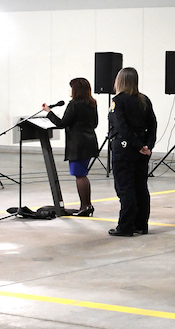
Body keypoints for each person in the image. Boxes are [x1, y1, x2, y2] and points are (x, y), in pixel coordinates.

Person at [107, 67, 157, 236]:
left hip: (125, 149)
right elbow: (152, 125)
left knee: (125, 188)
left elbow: (122, 127)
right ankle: (141, 224)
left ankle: (126, 226)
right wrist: (147, 146)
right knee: (140, 187)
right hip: (141, 150)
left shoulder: (118, 101)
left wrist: (136, 145)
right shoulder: (144, 100)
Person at [44, 78, 100, 216]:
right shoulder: (92, 104)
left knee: (80, 175)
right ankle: (86, 205)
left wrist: (49, 112)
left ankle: (85, 206)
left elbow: (62, 123)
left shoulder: (74, 105)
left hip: (77, 144)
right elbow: (95, 123)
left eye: (71, 88)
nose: (69, 91)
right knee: (82, 174)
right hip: (90, 142)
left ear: (76, 90)